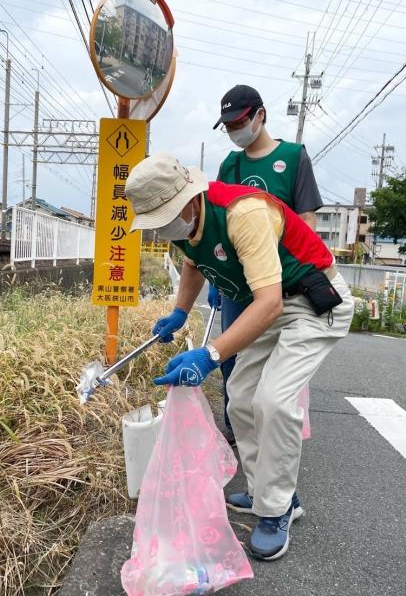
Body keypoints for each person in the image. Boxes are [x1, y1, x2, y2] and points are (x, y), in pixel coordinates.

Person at [125, 152, 354, 561]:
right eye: (155, 220)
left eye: (166, 215)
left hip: (313, 303)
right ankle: (269, 490)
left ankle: (277, 508)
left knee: (275, 401)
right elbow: (194, 264)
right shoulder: (186, 221)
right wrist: (179, 313)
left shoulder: (242, 212)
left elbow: (268, 305)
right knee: (242, 396)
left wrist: (210, 353)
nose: (164, 227)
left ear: (190, 198)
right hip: (272, 305)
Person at [211, 84, 324, 446]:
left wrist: (298, 269)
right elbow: (217, 217)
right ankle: (237, 427)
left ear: (260, 115)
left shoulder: (293, 158)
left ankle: (271, 427)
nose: (234, 131)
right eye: (227, 126)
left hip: (281, 278)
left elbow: (306, 220)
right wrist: (216, 278)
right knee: (231, 352)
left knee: (275, 356)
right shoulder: (231, 164)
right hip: (238, 278)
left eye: (239, 122)